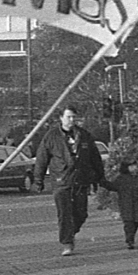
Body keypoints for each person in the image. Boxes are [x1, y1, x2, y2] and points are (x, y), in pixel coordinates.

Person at [32, 106, 105, 256]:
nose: (71, 120)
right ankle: (67, 243)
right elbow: (41, 159)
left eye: (74, 117)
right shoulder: (52, 136)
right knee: (64, 214)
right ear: (61, 118)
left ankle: (71, 232)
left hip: (80, 180)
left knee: (81, 213)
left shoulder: (84, 136)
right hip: (61, 180)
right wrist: (38, 180)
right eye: (68, 117)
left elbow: (95, 158)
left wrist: (99, 177)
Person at [107, 158, 138, 251]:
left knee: (136, 221)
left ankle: (131, 236)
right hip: (126, 203)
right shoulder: (121, 178)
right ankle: (129, 240)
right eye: (131, 166)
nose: (134, 168)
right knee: (128, 222)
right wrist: (102, 182)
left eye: (135, 165)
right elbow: (113, 186)